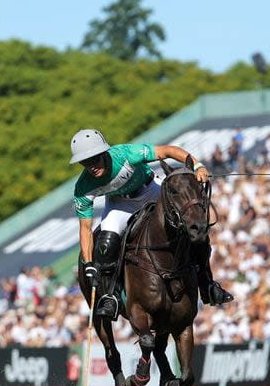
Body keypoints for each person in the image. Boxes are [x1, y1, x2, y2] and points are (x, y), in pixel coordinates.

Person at [69, 128, 234, 320]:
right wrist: (88, 264)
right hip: (120, 204)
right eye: (85, 162)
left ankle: (207, 284)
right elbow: (86, 228)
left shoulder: (125, 154)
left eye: (94, 159)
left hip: (151, 191)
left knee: (193, 229)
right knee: (106, 244)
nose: (91, 166)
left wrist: (198, 166)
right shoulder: (83, 187)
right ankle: (110, 296)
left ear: (104, 153)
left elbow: (167, 151)